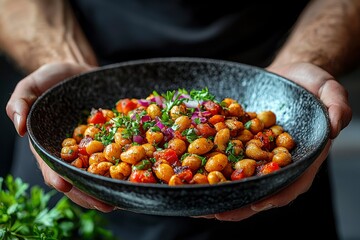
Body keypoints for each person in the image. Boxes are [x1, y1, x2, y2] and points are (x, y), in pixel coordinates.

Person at [1, 0, 359, 239]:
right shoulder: (92, 142)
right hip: (75, 189)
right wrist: (70, 76)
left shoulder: (247, 139)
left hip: (271, 195)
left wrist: (293, 75)